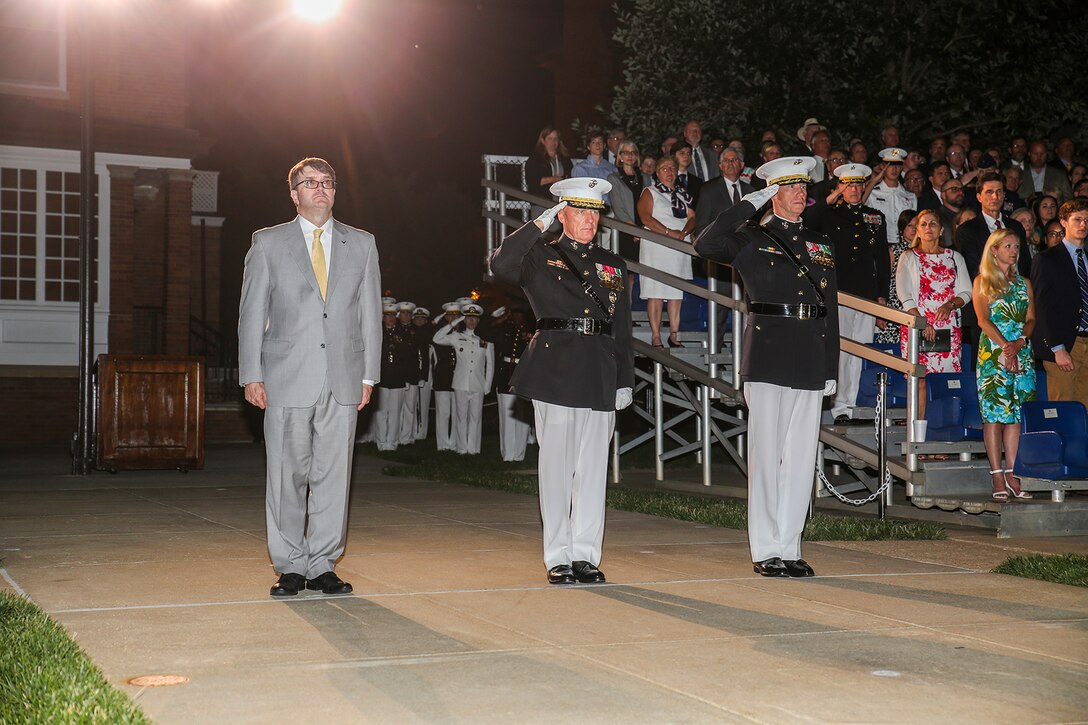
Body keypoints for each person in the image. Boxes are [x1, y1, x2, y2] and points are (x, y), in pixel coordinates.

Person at [238, 157, 381, 597]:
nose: (320, 189)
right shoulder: (267, 243)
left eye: (327, 183)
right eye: (310, 183)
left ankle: (322, 564)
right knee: (286, 474)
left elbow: (370, 314)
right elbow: (251, 313)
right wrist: (251, 374)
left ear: (335, 191)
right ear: (294, 193)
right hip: (285, 375)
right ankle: (290, 565)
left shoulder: (362, 244)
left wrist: (369, 375)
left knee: (333, 475)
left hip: (343, 376)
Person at [695, 156, 839, 578]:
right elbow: (704, 244)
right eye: (791, 186)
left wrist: (831, 365)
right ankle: (765, 548)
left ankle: (790, 546)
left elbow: (829, 307)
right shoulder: (750, 238)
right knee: (766, 454)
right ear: (772, 193)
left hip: (810, 353)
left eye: (803, 186)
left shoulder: (820, 242)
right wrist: (746, 205)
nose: (801, 192)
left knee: (799, 458)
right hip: (769, 354)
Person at [489, 177, 635, 586]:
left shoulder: (613, 264)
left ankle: (586, 555)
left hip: (601, 368)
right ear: (563, 214)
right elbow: (500, 265)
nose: (590, 218)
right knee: (556, 467)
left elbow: (621, 327)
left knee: (592, 469)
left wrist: (625, 378)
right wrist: (538, 224)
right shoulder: (540, 255)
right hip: (555, 369)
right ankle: (558, 555)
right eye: (580, 210)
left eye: (595, 211)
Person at [804, 163, 889, 424]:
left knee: (859, 349)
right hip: (837, 291)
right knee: (839, 348)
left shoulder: (874, 217)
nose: (854, 189)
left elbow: (882, 259)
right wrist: (829, 198)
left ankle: (848, 405)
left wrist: (881, 296)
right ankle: (837, 403)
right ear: (840, 187)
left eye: (858, 184)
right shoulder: (828, 214)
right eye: (848, 184)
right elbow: (805, 221)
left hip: (864, 292)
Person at [973, 229, 1036, 501]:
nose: (1013, 250)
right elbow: (983, 320)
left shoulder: (1024, 283)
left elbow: (1031, 319)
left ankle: (1013, 472)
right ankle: (997, 474)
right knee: (994, 416)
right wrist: (1005, 346)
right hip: (993, 353)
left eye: (1017, 246)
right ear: (994, 250)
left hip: (1021, 352)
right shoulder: (982, 281)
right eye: (1008, 245)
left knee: (1016, 415)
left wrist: (1019, 343)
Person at [896, 209, 972, 417]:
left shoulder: (955, 257)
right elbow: (904, 294)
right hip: (918, 326)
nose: (928, 228)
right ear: (917, 231)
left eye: (933, 224)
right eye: (923, 224)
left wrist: (950, 305)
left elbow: (967, 291)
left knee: (945, 385)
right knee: (919, 383)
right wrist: (922, 323)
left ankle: (940, 439)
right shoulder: (909, 256)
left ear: (941, 230)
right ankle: (918, 439)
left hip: (948, 328)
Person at [956, 171, 1032, 356]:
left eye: (999, 192)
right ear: (979, 196)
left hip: (1018, 310)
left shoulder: (1015, 227)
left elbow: (1024, 264)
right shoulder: (968, 229)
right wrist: (1003, 295)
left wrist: (1020, 295)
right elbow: (974, 267)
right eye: (989, 192)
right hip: (987, 305)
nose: (995, 196)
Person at [1031, 198, 1088, 404]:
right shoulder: (1046, 259)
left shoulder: (1086, 258)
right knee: (1064, 406)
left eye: (1087, 220)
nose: (1083, 225)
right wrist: (1057, 348)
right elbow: (1043, 307)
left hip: (1086, 339)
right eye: (1078, 219)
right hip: (1064, 344)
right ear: (1063, 222)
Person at [637, 156, 696, 348]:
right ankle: (656, 336)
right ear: (657, 172)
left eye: (673, 168)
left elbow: (693, 218)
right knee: (655, 290)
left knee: (675, 292)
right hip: (657, 244)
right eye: (665, 168)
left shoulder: (684, 194)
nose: (669, 171)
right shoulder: (650, 192)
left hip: (679, 245)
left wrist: (684, 233)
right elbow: (645, 218)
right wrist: (669, 233)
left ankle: (673, 334)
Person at [433, 303, 494, 455]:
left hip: (478, 383)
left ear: (478, 321)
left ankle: (473, 449)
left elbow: (490, 364)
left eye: (474, 318)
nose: (471, 321)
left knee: (475, 418)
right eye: (468, 318)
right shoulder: (456, 337)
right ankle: (461, 449)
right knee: (460, 417)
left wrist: (487, 385)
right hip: (460, 383)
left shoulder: (485, 340)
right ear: (464, 320)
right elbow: (437, 338)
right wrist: (454, 322)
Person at [492, 306, 534, 462]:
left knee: (522, 419)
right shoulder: (504, 329)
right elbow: (489, 333)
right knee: (507, 418)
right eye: (514, 315)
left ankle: (519, 454)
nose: (517, 319)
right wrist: (500, 319)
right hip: (506, 376)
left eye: (519, 316)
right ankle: (508, 454)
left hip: (523, 377)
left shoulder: (532, 331)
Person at [876, 210, 918, 344]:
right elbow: (884, 278)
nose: (914, 229)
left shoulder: (924, 251)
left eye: (917, 225)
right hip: (895, 302)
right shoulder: (893, 250)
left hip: (917, 301)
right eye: (910, 225)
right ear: (902, 229)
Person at [865, 148, 917, 246]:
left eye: (897, 165)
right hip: (879, 243)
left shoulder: (910, 196)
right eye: (889, 165)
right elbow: (859, 203)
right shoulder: (872, 193)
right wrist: (874, 181)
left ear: (902, 167)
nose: (894, 169)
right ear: (882, 166)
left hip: (904, 244)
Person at [430, 302, 460, 451]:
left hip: (458, 374)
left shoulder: (462, 332)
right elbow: (436, 339)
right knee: (443, 411)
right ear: (446, 316)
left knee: (457, 411)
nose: (453, 317)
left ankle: (454, 443)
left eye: (456, 315)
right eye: (450, 315)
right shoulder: (440, 331)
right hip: (442, 373)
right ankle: (442, 445)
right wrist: (451, 324)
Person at [525, 126, 572, 213]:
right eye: (549, 138)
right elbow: (532, 181)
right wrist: (554, 179)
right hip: (541, 203)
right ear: (543, 140)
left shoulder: (564, 159)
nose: (553, 142)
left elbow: (570, 177)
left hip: (561, 204)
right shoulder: (535, 159)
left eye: (555, 139)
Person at [411, 306, 432, 440]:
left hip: (427, 374)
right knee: (412, 404)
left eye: (422, 319)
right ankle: (413, 430)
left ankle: (422, 432)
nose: (419, 321)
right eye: (417, 319)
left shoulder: (429, 335)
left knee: (424, 404)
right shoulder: (410, 335)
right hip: (413, 373)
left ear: (426, 321)